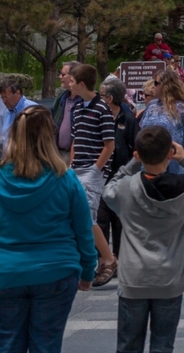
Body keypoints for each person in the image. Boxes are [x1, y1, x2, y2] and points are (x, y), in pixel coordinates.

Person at [102, 126, 184, 353]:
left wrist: (133, 163)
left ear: (138, 153)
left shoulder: (125, 188)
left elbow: (109, 190)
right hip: (170, 278)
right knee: (163, 345)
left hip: (134, 279)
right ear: (170, 153)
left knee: (127, 345)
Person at [0, 105, 96, 352]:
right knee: (47, 343)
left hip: (7, 271)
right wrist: (87, 270)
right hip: (56, 270)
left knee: (8, 343)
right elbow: (83, 230)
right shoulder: (66, 178)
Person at [68, 64, 118, 286]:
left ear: (81, 84)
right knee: (73, 216)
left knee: (88, 218)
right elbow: (75, 140)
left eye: (71, 80)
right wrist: (70, 165)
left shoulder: (102, 109)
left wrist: (96, 169)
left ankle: (108, 258)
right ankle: (85, 261)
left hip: (91, 170)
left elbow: (110, 144)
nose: (67, 83)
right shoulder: (77, 109)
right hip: (75, 168)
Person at [96, 77, 139, 277]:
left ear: (110, 98)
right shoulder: (98, 116)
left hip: (122, 176)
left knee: (120, 220)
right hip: (101, 175)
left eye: (101, 95)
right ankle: (105, 260)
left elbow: (136, 149)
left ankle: (121, 258)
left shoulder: (127, 119)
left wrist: (130, 172)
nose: (99, 98)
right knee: (101, 218)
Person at [139, 69, 184, 170]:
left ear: (166, 85)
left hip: (175, 164)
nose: (153, 86)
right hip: (150, 162)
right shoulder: (152, 105)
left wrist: (181, 159)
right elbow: (142, 130)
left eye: (156, 83)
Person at [52, 61, 81, 162]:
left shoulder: (87, 100)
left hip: (77, 157)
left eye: (63, 74)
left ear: (74, 76)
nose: (60, 77)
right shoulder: (61, 96)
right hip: (57, 154)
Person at [1, 78, 38, 153]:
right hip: (7, 159)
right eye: (2, 98)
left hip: (26, 159)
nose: (4, 101)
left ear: (17, 93)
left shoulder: (32, 109)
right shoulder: (7, 112)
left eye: (6, 97)